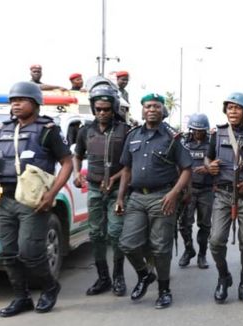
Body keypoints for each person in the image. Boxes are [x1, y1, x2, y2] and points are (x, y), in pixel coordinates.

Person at [0, 82, 73, 317]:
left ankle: (50, 287)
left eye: (21, 100)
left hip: (33, 200)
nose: (15, 104)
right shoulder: (5, 128)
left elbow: (67, 162)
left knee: (30, 252)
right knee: (7, 253)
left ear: (36, 103)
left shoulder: (47, 129)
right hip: (6, 199)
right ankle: (21, 297)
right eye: (12, 100)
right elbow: (2, 158)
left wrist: (52, 194)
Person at [116, 93, 192, 309]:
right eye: (148, 106)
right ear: (142, 110)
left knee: (160, 248)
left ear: (162, 110)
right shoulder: (132, 136)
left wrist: (174, 193)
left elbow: (187, 169)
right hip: (137, 197)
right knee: (127, 244)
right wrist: (120, 197)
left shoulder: (172, 137)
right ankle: (144, 275)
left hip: (162, 196)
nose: (151, 109)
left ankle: (164, 290)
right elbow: (126, 169)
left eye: (156, 106)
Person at [205, 92, 243, 306]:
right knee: (215, 241)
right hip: (222, 194)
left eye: (237, 108)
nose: (232, 111)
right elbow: (208, 156)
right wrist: (208, 165)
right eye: (229, 107)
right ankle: (224, 277)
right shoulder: (219, 133)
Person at [73, 85, 130, 296]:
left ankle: (118, 276)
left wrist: (115, 178)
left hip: (117, 191)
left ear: (114, 108)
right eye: (98, 109)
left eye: (106, 109)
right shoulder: (85, 131)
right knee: (96, 235)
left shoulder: (125, 131)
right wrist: (77, 173)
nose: (102, 113)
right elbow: (77, 155)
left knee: (115, 234)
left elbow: (129, 165)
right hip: (95, 189)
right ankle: (102, 277)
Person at [178, 113, 213, 269]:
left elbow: (221, 164)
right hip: (188, 190)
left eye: (201, 131)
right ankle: (189, 249)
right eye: (195, 130)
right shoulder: (184, 143)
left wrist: (208, 169)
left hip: (206, 189)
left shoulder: (212, 144)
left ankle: (202, 255)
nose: (198, 133)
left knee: (204, 225)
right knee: (184, 224)